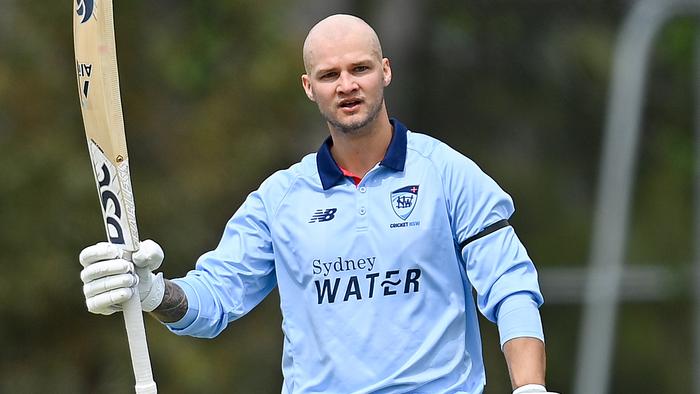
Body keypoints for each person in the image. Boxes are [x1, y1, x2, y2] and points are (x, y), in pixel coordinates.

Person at [79, 14, 557, 394]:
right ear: (310, 87)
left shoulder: (448, 174)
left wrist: (530, 387)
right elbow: (215, 301)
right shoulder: (278, 200)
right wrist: (154, 294)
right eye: (329, 75)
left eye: (360, 69)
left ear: (385, 72)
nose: (346, 85)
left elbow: (509, 284)